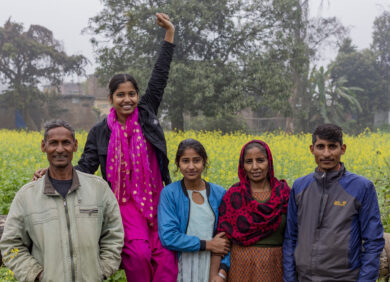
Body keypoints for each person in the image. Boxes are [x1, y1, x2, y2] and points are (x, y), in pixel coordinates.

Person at [33, 13, 177, 281]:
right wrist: (51, 172)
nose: (127, 99)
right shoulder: (100, 131)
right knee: (138, 255)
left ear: (138, 96)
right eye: (120, 95)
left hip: (159, 201)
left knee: (167, 255)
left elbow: (160, 74)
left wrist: (169, 32)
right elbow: (85, 166)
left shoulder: (146, 114)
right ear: (110, 98)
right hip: (122, 204)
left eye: (131, 94)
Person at [0, 120, 124, 281]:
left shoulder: (98, 189)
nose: (60, 149)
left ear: (75, 145)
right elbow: (11, 245)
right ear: (43, 147)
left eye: (66, 142)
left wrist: (102, 269)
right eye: (53, 143)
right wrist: (36, 274)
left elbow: (114, 234)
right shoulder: (26, 196)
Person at [283, 124, 385, 281]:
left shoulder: (361, 187)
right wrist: (290, 278)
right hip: (305, 278)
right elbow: (290, 238)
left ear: (342, 149)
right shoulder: (299, 187)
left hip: (345, 278)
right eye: (320, 147)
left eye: (332, 147)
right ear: (312, 149)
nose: (326, 153)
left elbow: (373, 241)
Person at [158, 139, 231, 282]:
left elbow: (227, 238)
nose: (191, 166)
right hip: (180, 267)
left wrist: (222, 272)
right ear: (178, 164)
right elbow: (168, 236)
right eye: (185, 161)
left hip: (211, 268)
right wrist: (208, 244)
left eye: (196, 160)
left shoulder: (220, 193)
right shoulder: (170, 193)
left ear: (204, 162)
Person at [217, 140, 290, 282]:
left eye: (260, 160)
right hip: (240, 267)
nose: (255, 167)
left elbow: (294, 234)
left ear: (269, 162)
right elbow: (222, 239)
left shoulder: (283, 193)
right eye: (249, 161)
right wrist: (220, 272)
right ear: (242, 165)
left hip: (275, 266)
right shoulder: (234, 195)